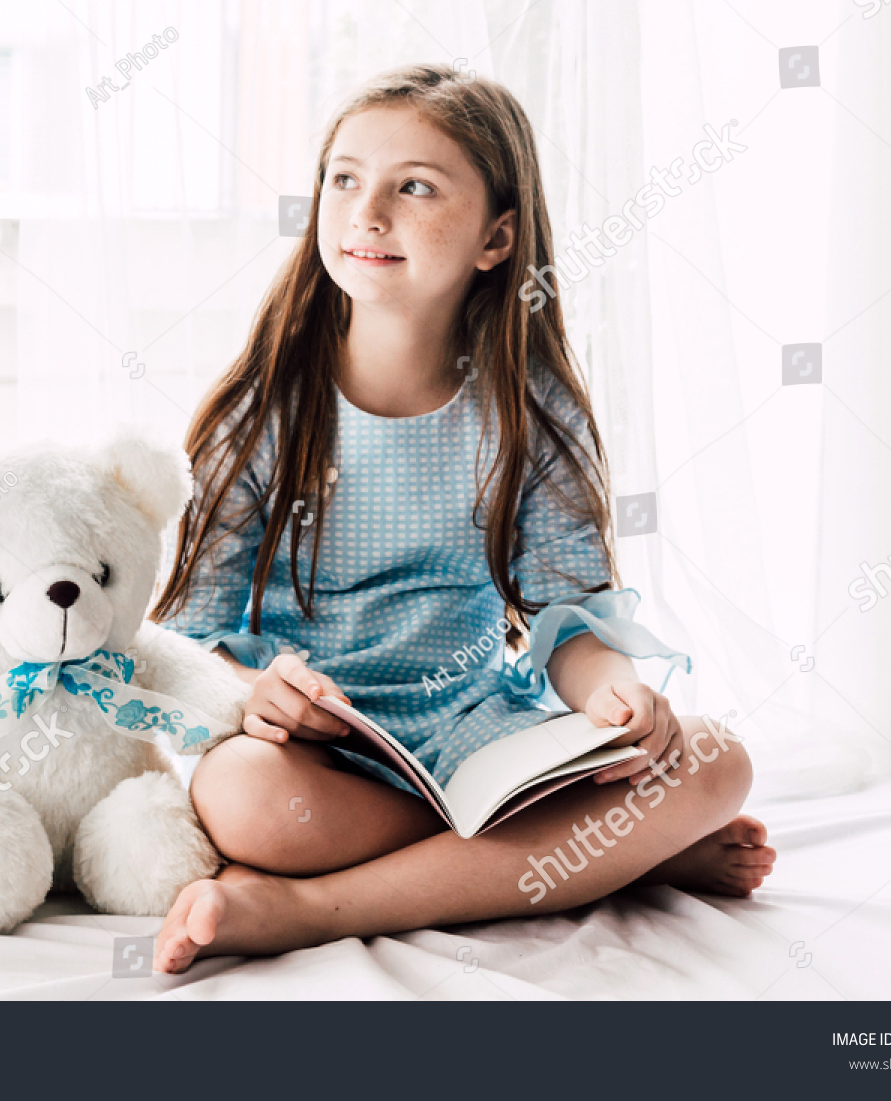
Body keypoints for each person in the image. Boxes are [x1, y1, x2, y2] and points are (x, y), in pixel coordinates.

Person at [147, 63, 775, 975]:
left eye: (415, 187)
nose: (368, 211)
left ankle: (299, 909)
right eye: (345, 179)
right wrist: (252, 695)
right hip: (327, 756)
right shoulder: (262, 413)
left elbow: (571, 621)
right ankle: (589, 852)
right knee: (244, 801)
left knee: (718, 759)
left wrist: (613, 693)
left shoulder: (530, 409)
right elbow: (190, 638)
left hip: (476, 731)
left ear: (496, 239)